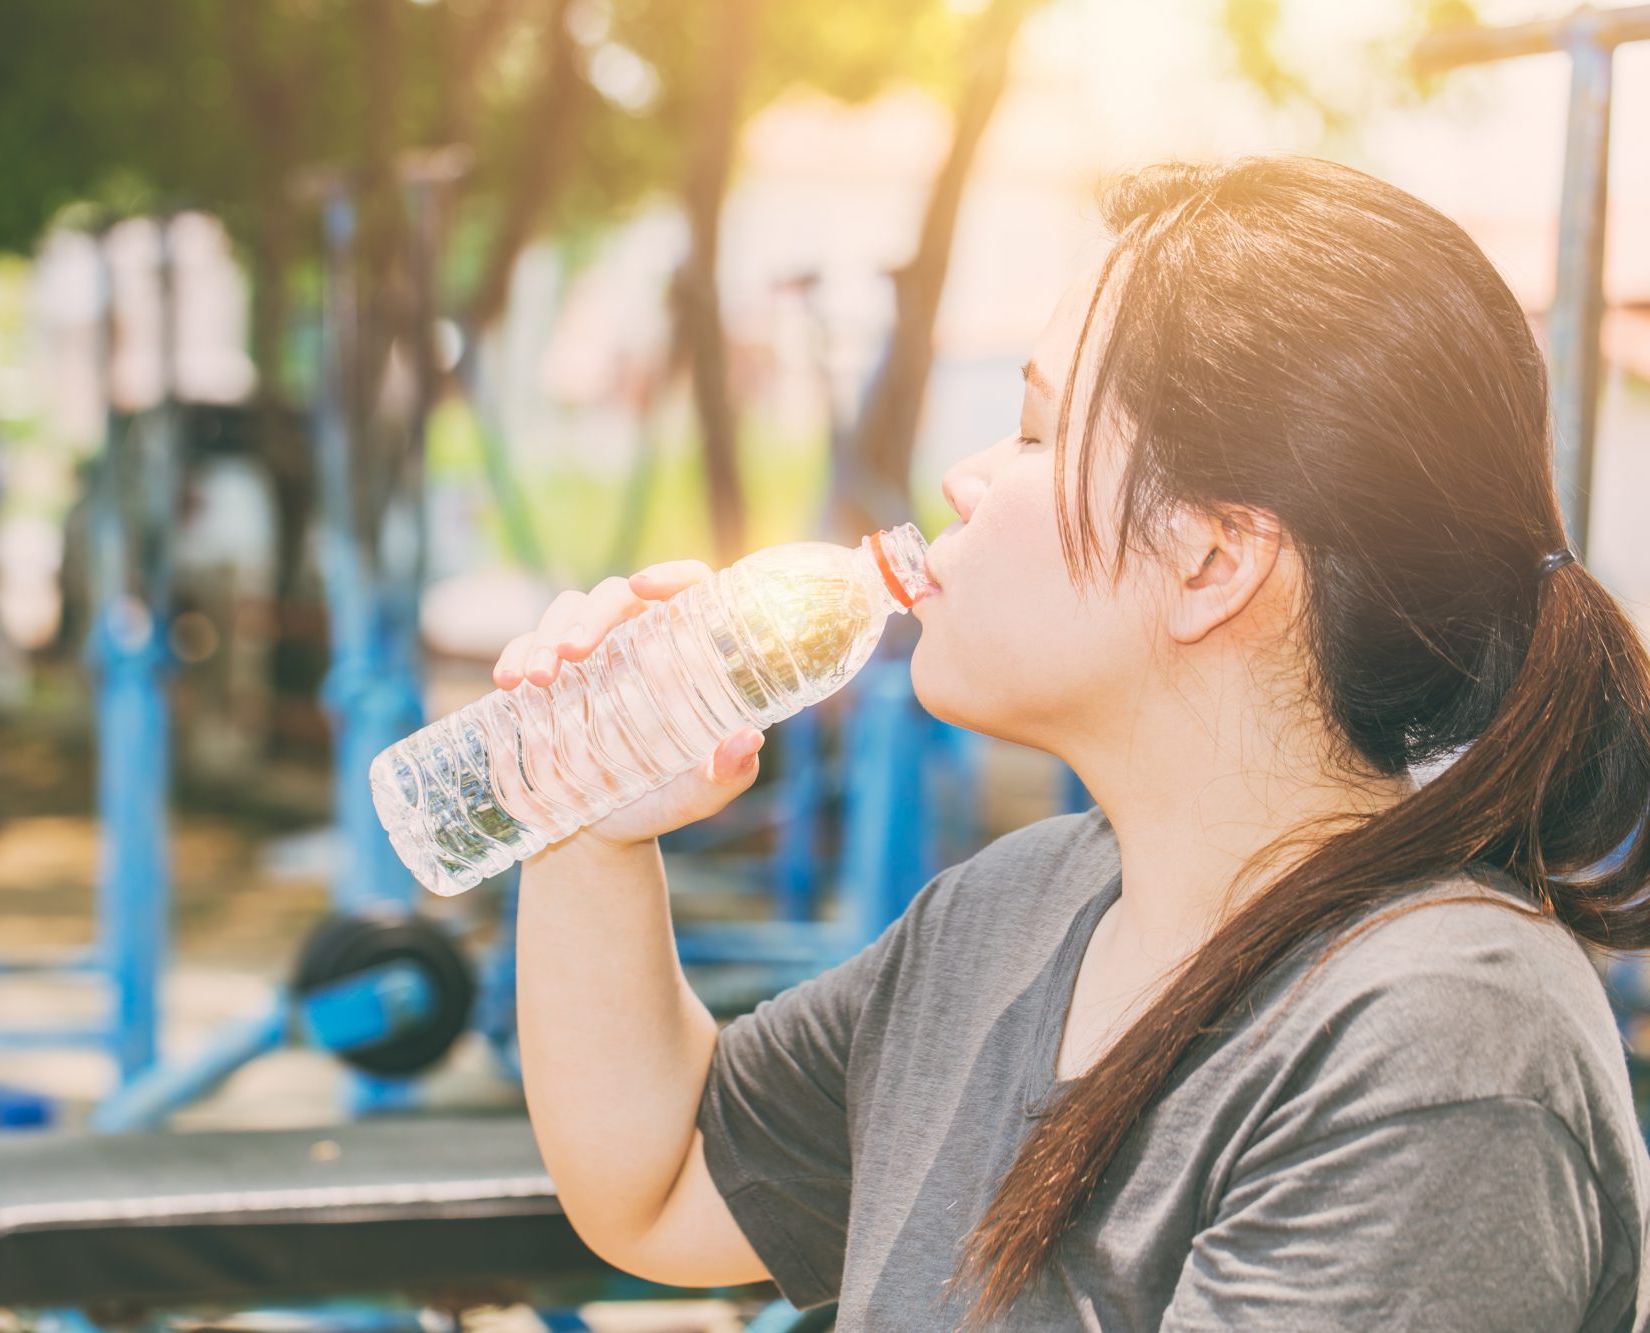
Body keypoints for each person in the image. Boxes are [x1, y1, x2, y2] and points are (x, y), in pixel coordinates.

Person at [501, 157, 1650, 1330]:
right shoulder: (1009, 911)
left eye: (1034, 431)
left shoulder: (1433, 1042)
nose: (961, 477)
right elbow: (661, 1183)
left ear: (1211, 560)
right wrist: (588, 824)